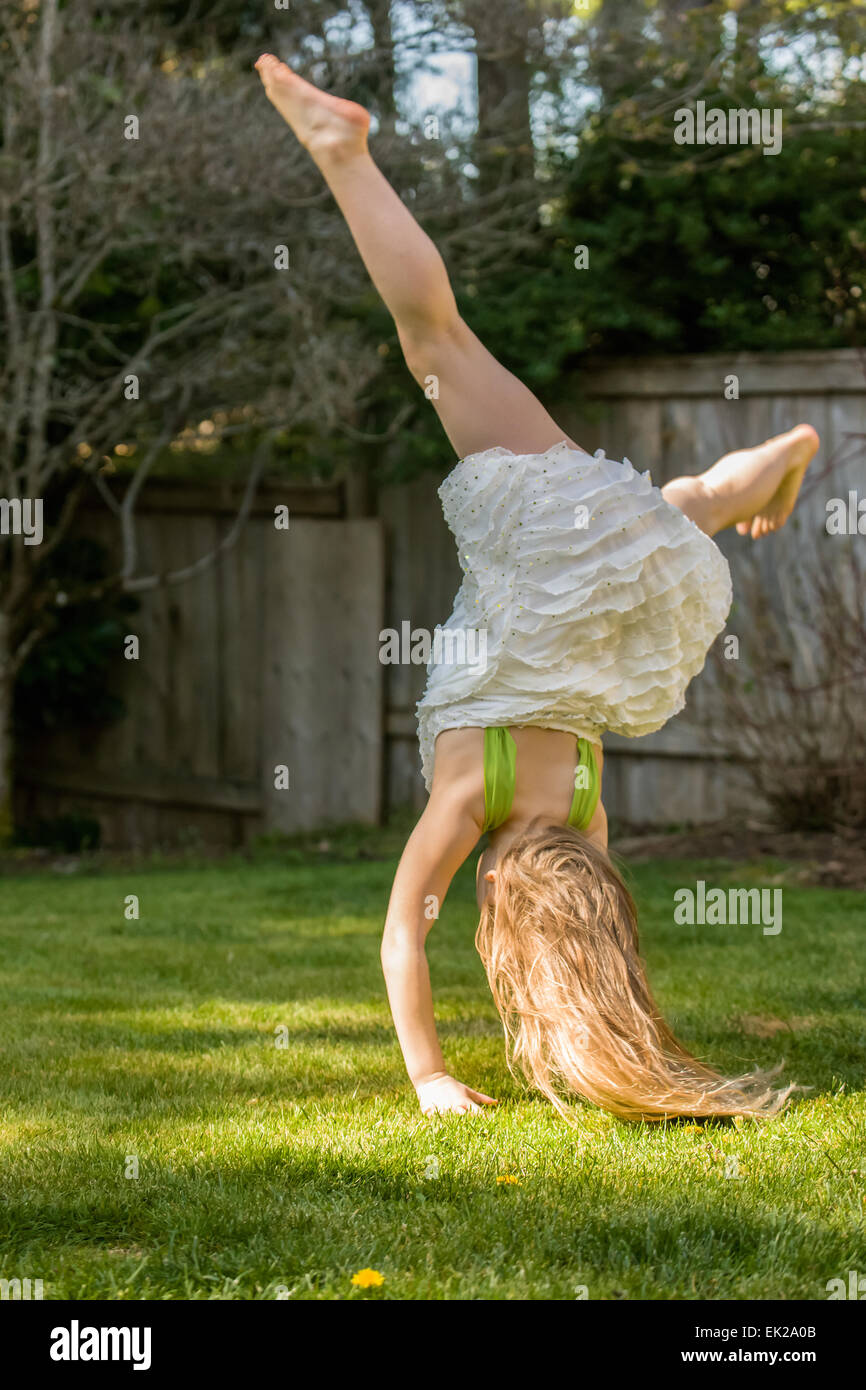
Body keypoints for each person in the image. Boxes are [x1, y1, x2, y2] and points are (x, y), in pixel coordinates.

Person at [255, 54, 817, 1120]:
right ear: (507, 893)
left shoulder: (588, 810)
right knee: (435, 337)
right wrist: (424, 1076)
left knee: (683, 503)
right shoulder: (479, 800)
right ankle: (344, 153)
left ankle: (781, 451)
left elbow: (572, 914)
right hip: (548, 553)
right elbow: (398, 931)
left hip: (610, 586)